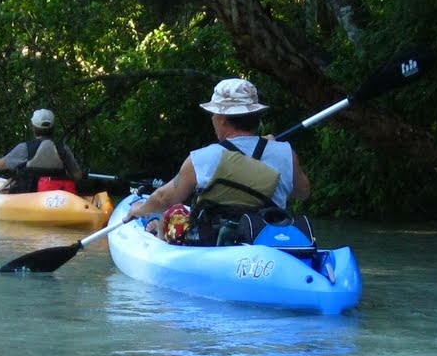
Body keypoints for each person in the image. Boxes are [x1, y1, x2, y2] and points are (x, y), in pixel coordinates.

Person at [126, 77, 310, 245]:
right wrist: (275, 150)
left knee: (171, 214)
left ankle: (155, 229)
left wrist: (141, 208)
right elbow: (303, 193)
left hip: (215, 245)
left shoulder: (203, 158)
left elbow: (165, 198)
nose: (213, 118)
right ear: (257, 117)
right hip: (266, 239)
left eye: (214, 114)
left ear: (222, 120)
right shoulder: (285, 152)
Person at [0, 108, 83, 193]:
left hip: (27, 196)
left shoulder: (24, 148)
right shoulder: (62, 148)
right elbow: (77, 175)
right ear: (53, 128)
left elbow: (0, 165)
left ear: (33, 127)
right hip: (53, 198)